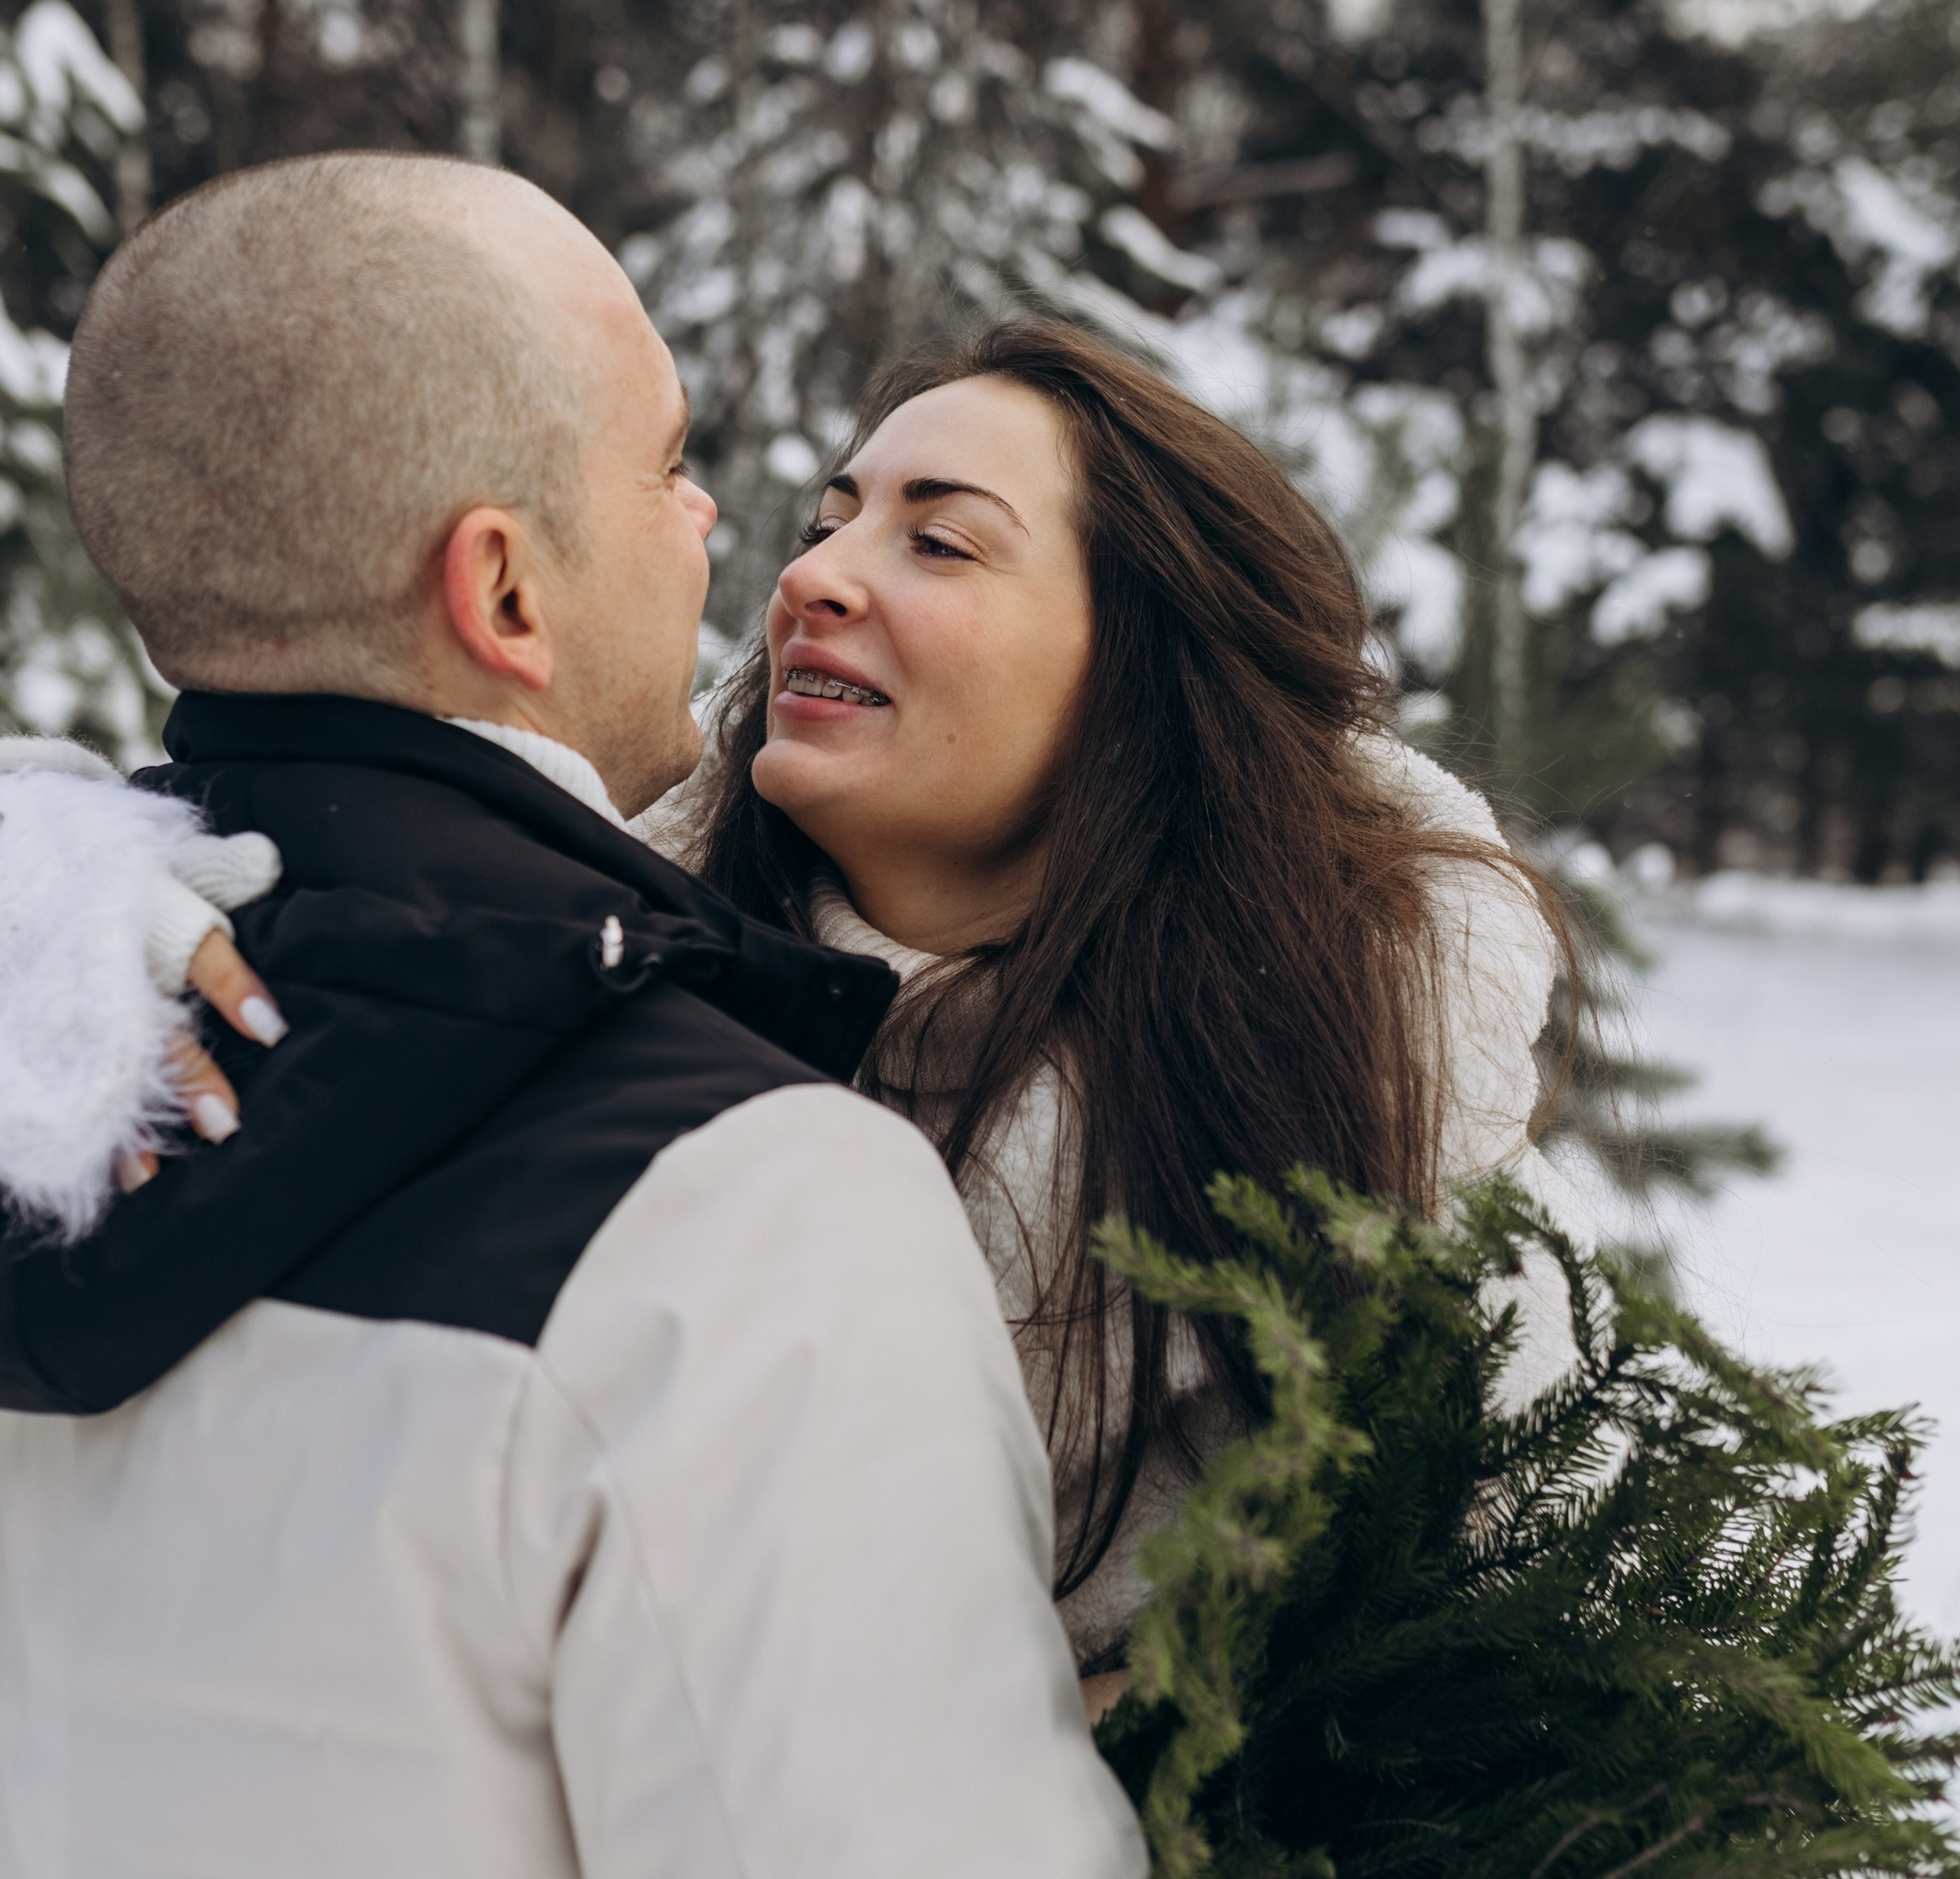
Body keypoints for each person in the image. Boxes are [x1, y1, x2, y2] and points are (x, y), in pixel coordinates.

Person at [0, 155, 1328, 1879]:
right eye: (689, 470)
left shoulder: (63, 1072)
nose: (756, 550)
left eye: (929, 528)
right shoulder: (735, 1223)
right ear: (504, 584)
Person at [0, 319, 1583, 1693]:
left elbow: (1502, 1721)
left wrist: (1167, 1760)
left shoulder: (1371, 1111)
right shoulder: (581, 963)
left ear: (1140, 675)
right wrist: (53, 907)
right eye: (830, 522)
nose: (814, 578)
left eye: (936, 541)